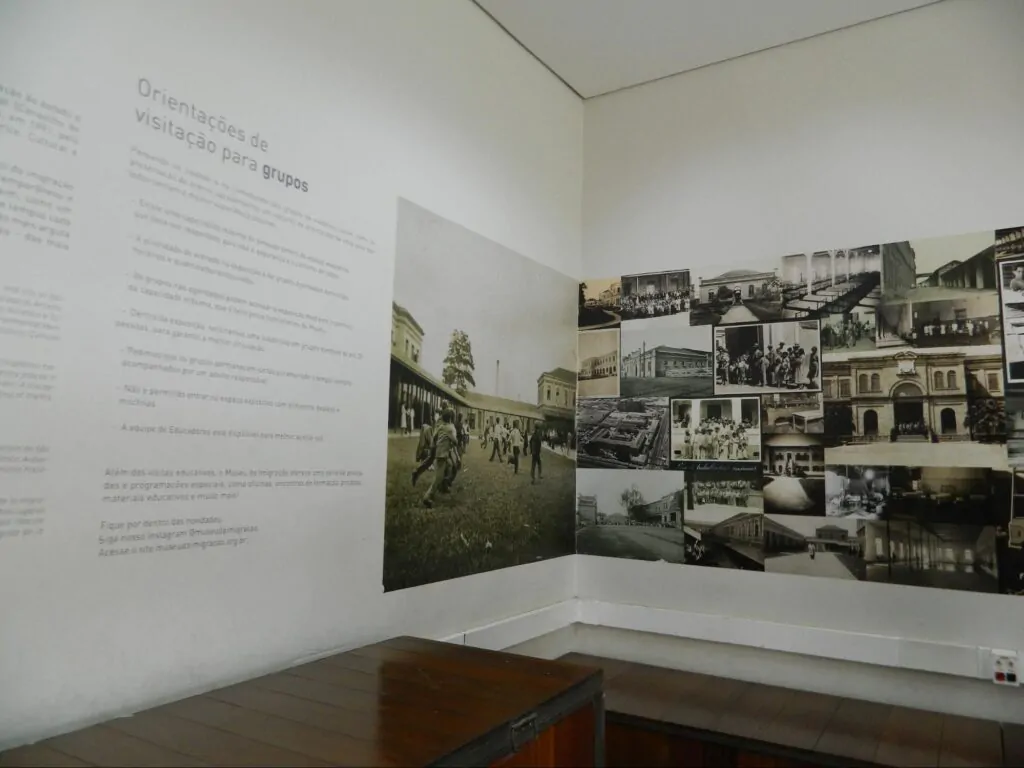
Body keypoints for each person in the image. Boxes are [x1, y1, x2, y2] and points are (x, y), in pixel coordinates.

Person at [423, 408, 458, 508]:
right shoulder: (449, 429)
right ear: (450, 419)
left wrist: (434, 446)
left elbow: (434, 438)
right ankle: (427, 497)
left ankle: (445, 484)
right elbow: (455, 442)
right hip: (442, 455)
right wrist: (453, 441)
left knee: (450, 465)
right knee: (438, 478)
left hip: (440, 454)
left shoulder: (441, 427)